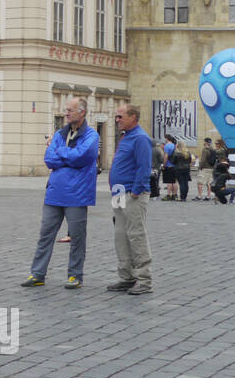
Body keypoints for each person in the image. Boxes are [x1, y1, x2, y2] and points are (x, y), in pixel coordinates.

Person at [21, 97, 99, 290]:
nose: (66, 113)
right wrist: (67, 156)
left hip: (77, 195)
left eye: (70, 110)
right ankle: (37, 274)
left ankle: (75, 276)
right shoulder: (60, 134)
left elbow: (83, 156)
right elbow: (49, 159)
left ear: (82, 112)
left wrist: (60, 154)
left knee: (77, 238)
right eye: (66, 110)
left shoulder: (91, 136)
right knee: (45, 235)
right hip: (54, 194)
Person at [107, 104, 154, 296]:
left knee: (136, 235)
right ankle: (126, 277)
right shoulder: (126, 136)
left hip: (131, 194)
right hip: (118, 194)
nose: (117, 120)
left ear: (133, 117)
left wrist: (135, 192)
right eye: (116, 117)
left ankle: (144, 279)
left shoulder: (140, 138)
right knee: (121, 237)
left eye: (120, 116)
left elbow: (144, 167)